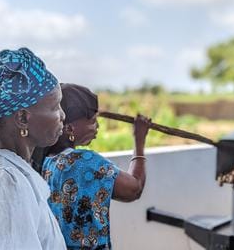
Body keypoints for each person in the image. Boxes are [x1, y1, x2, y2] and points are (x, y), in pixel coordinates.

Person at [39, 83, 151, 250]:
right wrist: (139, 140)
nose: (97, 126)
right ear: (69, 127)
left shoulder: (47, 160)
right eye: (92, 120)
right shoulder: (85, 162)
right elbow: (134, 188)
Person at [0, 48, 67, 249]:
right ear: (22, 118)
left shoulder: (11, 170)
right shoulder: (5, 182)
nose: (62, 116)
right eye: (55, 107)